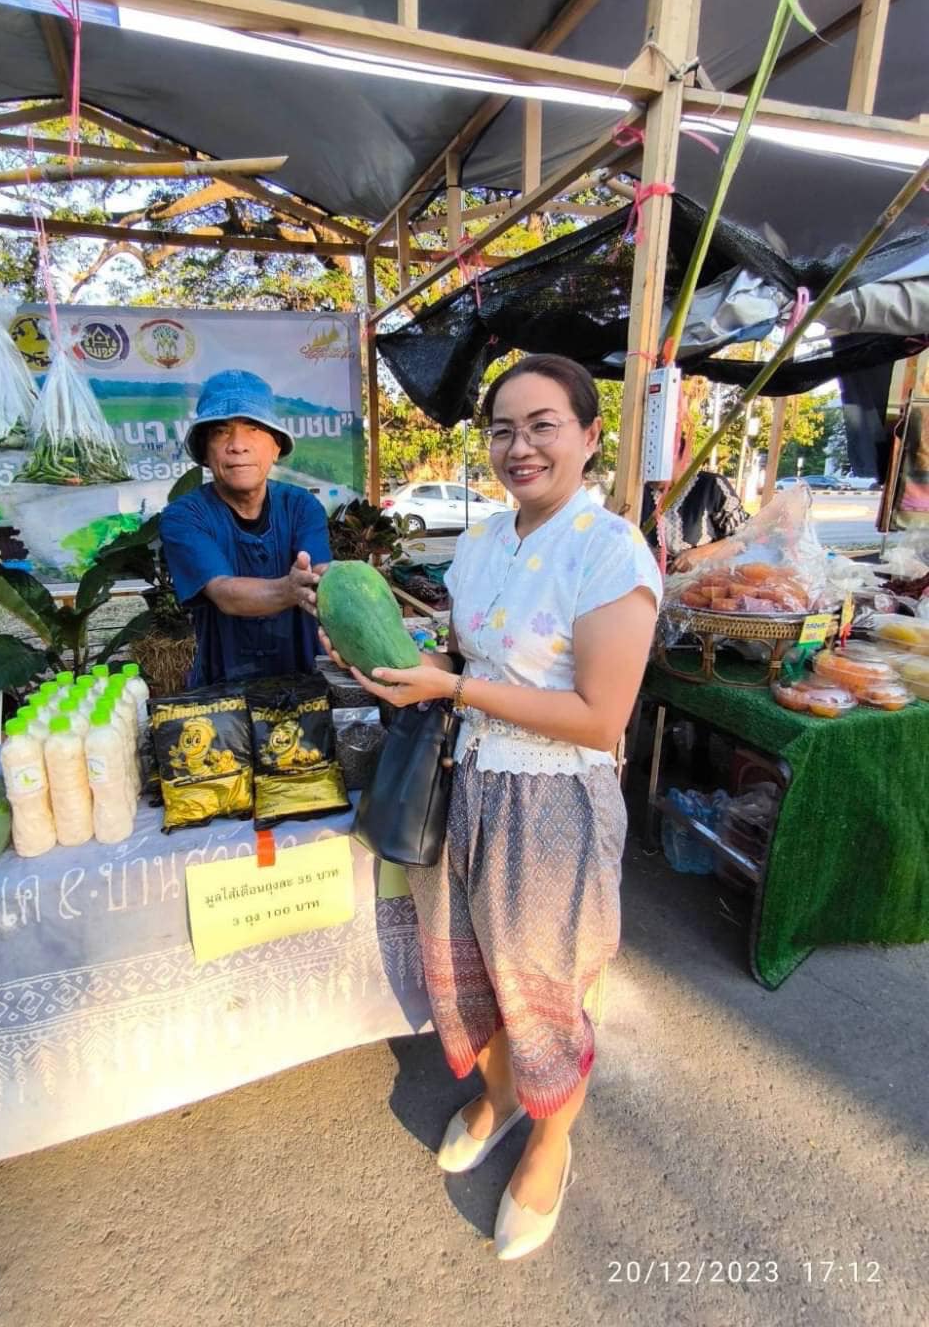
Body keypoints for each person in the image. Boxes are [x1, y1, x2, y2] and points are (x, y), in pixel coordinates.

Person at [321, 354, 660, 1260]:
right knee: (466, 970)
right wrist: (387, 647)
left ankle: (553, 1142)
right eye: (503, 429)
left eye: (544, 424)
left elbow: (599, 719)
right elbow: (473, 660)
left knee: (544, 997)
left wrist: (455, 689)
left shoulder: (610, 551)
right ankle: (505, 1096)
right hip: (464, 786)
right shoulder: (478, 542)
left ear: (590, 436)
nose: (520, 446)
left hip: (553, 809)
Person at [161, 369, 331, 686]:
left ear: (276, 447)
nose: (238, 445)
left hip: (305, 679)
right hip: (221, 689)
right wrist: (291, 589)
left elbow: (320, 568)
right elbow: (224, 592)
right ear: (204, 453)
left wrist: (341, 580)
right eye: (222, 432)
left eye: (253, 429)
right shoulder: (184, 516)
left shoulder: (302, 506)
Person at [641, 424, 747, 573]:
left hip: (703, 584)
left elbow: (744, 537)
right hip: (653, 584)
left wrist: (700, 554)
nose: (654, 472)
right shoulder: (640, 492)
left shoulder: (711, 486)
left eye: (662, 463)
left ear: (683, 459)